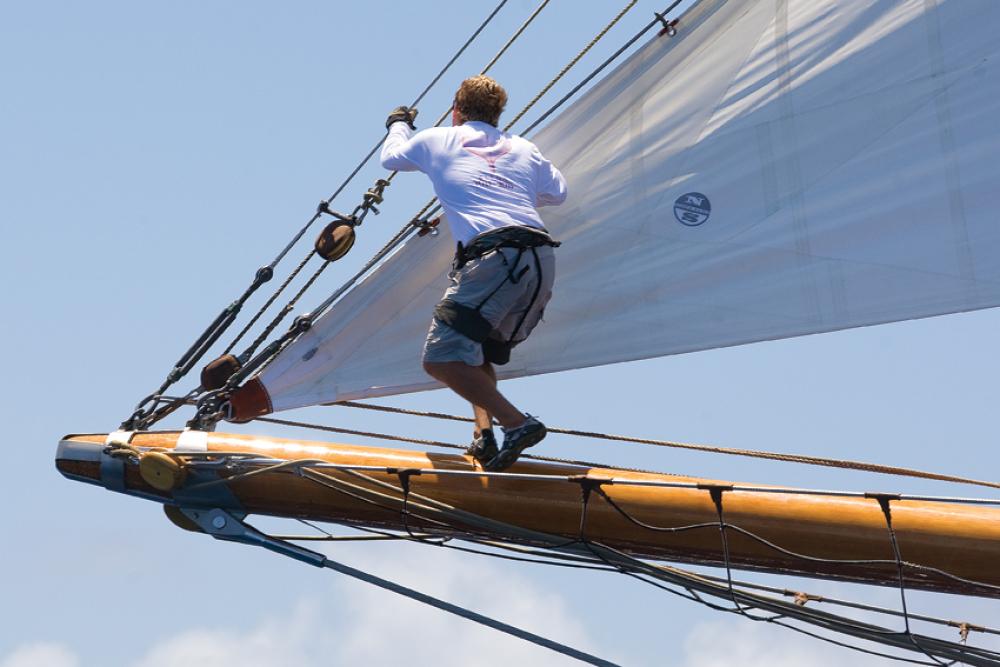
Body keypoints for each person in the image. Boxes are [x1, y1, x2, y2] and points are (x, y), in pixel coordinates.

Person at [380, 75, 567, 471]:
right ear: (499, 114)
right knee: (475, 349)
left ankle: (518, 424)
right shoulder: (524, 148)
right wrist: (509, 187)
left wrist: (398, 124)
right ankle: (484, 434)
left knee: (441, 359)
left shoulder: (438, 139)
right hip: (539, 258)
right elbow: (558, 192)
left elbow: (392, 157)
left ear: (456, 110)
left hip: (495, 258)